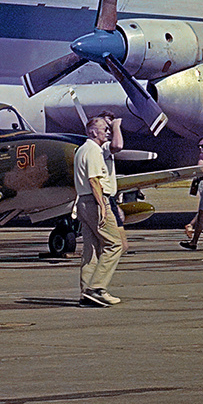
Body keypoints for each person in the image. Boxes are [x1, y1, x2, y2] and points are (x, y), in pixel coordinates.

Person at [74, 115, 126, 306]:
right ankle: (97, 288)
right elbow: (94, 181)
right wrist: (103, 207)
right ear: (94, 132)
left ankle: (85, 292)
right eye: (105, 128)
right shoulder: (94, 151)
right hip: (96, 201)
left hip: (83, 202)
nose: (107, 131)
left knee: (92, 249)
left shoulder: (81, 150)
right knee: (114, 244)